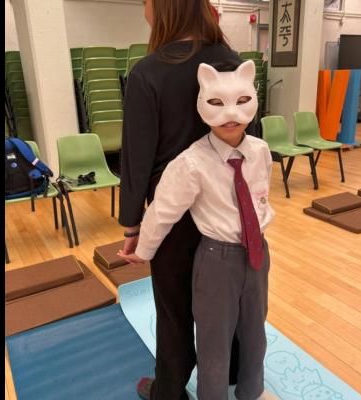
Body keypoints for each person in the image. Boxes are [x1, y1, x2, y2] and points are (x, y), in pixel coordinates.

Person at [118, 0, 255, 398]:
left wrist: (132, 224)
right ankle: (233, 371)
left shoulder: (148, 72)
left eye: (146, 1)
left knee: (174, 309)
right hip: (228, 207)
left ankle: (170, 390)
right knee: (228, 298)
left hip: (173, 215)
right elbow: (253, 139)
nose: (144, 10)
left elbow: (137, 157)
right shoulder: (234, 62)